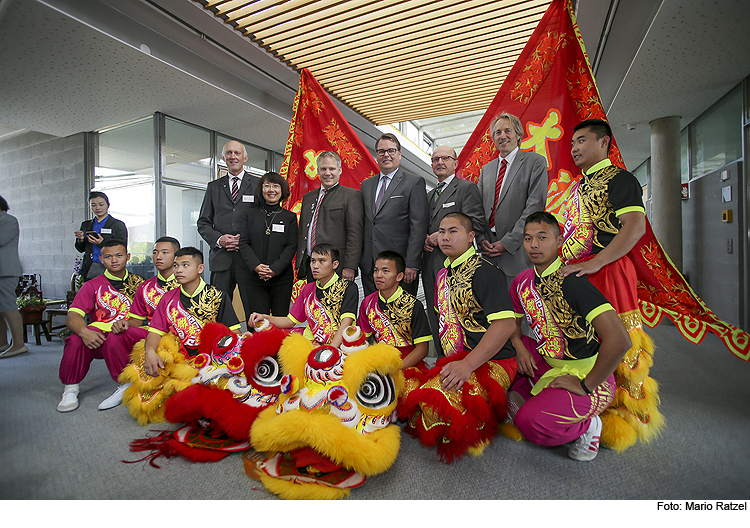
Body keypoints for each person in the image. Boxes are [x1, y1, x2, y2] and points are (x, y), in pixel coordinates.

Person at [558, 118, 663, 450]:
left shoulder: (620, 179)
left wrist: (597, 261)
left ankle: (624, 414)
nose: (575, 148)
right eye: (573, 143)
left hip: (609, 270)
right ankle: (591, 406)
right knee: (582, 339)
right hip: (577, 272)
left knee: (621, 341)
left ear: (603, 143)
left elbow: (633, 227)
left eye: (582, 140)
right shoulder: (575, 187)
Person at [508, 212, 631, 461]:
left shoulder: (574, 282)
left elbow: (620, 340)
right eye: (528, 238)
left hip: (589, 375)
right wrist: (518, 345)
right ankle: (543, 396)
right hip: (546, 361)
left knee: (529, 423)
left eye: (542, 237)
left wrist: (584, 385)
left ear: (560, 240)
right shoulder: (521, 282)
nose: (534, 244)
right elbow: (512, 323)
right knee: (500, 359)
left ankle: (589, 427)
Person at [399, 213, 517, 462]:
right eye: (441, 232)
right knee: (410, 397)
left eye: (453, 231)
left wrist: (467, 365)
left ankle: (502, 404)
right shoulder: (443, 274)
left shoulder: (485, 272)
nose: (445, 237)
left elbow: (505, 325)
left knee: (436, 410)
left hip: (492, 362)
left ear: (471, 237)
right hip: (457, 362)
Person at [120, 246, 241, 424]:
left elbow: (233, 332)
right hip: (178, 357)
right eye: (176, 266)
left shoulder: (217, 296)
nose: (179, 270)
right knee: (145, 356)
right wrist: (151, 353)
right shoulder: (168, 298)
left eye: (185, 265)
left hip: (209, 359)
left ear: (200, 269)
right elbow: (154, 331)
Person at [58, 239, 144, 412]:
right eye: (108, 256)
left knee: (116, 336)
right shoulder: (91, 285)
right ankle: (70, 389)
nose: (114, 260)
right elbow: (73, 315)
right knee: (75, 340)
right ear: (101, 259)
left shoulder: (141, 284)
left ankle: (126, 383)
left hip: (130, 337)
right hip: (99, 338)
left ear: (128, 257)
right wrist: (83, 331)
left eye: (119, 255)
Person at [422, 146, 484, 354]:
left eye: (445, 158)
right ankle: (441, 362)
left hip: (457, 267)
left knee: (458, 315)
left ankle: (464, 363)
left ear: (456, 163)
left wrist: (440, 236)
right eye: (435, 159)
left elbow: (476, 222)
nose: (440, 162)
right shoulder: (429, 195)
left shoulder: (466, 188)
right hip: (430, 264)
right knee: (436, 314)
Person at [476, 113, 547, 289]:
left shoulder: (535, 162)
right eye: (498, 132)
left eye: (508, 130)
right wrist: (480, 237)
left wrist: (506, 243)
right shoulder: (486, 169)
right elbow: (477, 208)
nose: (503, 136)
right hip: (487, 252)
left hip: (517, 252)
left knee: (520, 310)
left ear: (518, 135)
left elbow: (535, 206)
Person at [249, 243, 357, 349]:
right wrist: (265, 317)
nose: (315, 266)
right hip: (310, 343)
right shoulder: (308, 289)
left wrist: (330, 351)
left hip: (339, 346)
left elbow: (346, 324)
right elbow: (290, 321)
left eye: (322, 261)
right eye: (313, 261)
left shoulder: (348, 287)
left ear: (335, 264)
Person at [360, 133, 429, 297]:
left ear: (399, 154)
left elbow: (418, 225)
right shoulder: (366, 185)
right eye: (381, 151)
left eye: (391, 150)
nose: (386, 155)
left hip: (400, 266)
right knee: (372, 314)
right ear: (376, 155)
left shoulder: (414, 182)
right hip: (370, 266)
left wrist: (412, 263)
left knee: (401, 317)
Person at [197, 140, 261, 314]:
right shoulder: (213, 187)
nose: (233, 156)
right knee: (217, 310)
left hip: (249, 259)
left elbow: (264, 220)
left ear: (245, 157)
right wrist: (220, 239)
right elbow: (203, 223)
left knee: (254, 310)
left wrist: (246, 238)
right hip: (221, 260)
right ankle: (221, 341)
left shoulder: (258, 185)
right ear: (224, 158)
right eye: (229, 153)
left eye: (237, 153)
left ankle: (255, 341)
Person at [296, 151, 363, 283]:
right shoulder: (308, 197)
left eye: (332, 169)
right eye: (323, 169)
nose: (327, 173)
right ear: (318, 171)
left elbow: (355, 235)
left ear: (339, 170)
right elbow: (303, 232)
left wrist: (350, 266)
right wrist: (300, 264)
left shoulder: (351, 196)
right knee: (313, 303)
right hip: (311, 265)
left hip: (337, 267)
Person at [238, 171, 298, 316]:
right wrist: (257, 267)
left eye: (276, 186)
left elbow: (292, 245)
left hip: (281, 277)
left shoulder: (289, 217)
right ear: (261, 189)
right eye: (267, 186)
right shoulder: (250, 214)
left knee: (280, 320)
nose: (271, 190)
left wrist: (274, 269)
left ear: (282, 190)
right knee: (257, 322)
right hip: (253, 277)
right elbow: (244, 243)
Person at [358, 250, 431, 369]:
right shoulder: (367, 303)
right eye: (376, 270)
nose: (379, 275)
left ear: (399, 276)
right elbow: (362, 340)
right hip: (379, 361)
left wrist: (396, 369)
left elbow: (422, 349)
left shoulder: (413, 305)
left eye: (385, 271)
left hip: (407, 364)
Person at [126, 236, 180, 331]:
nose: (158, 257)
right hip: (152, 336)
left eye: (165, 253)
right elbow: (136, 321)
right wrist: (123, 323)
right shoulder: (145, 287)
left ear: (176, 256)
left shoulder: (186, 284)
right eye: (155, 252)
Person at [75, 191, 128, 282]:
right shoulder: (86, 225)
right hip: (90, 267)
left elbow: (122, 246)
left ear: (108, 205)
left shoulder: (117, 225)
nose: (97, 208)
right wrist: (81, 240)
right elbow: (81, 249)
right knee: (90, 294)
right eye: (93, 205)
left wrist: (102, 243)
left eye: (101, 204)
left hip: (110, 266)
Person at [0, 196, 26, 358]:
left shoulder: (8, 220)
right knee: (1, 308)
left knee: (8, 306)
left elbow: (1, 240)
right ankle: (2, 342)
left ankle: (18, 344)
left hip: (6, 270)